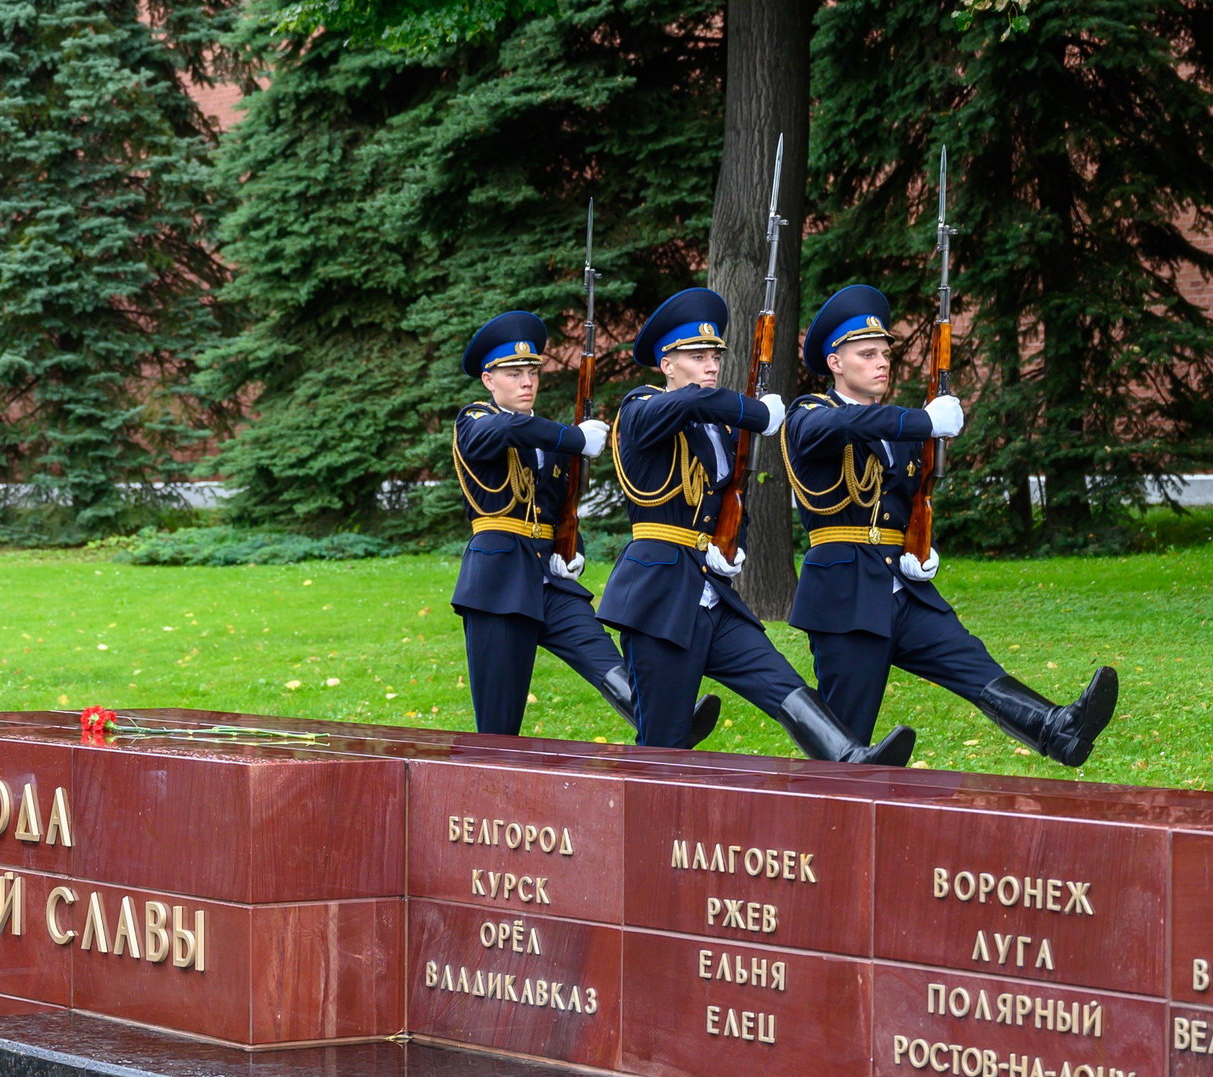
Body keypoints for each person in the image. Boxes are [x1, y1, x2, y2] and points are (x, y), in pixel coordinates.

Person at [783, 283, 1117, 765]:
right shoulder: (811, 413)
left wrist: (919, 547)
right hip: (846, 593)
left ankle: (1055, 729)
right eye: (867, 353)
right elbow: (841, 429)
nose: (881, 362)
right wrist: (923, 421)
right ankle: (827, 815)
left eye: (885, 353)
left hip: (901, 587)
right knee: (846, 736)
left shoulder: (895, 429)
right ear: (835, 363)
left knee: (969, 661)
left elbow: (906, 504)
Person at [596, 288, 912, 763]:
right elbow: (687, 406)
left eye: (714, 356)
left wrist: (732, 540)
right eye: (697, 356)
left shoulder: (718, 428)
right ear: (666, 365)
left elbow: (728, 494)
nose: (710, 365)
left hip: (711, 591)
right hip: (657, 596)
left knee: (778, 679)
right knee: (663, 746)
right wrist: (756, 411)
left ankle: (847, 756)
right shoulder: (642, 408)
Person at [451, 312, 718, 744]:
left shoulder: (548, 437)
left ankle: (662, 721)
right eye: (514, 373)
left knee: (599, 652)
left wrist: (566, 547)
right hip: (498, 581)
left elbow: (559, 508)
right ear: (488, 380)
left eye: (532, 372)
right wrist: (572, 438)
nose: (526, 382)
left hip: (547, 579)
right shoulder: (476, 421)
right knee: (499, 725)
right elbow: (504, 431)